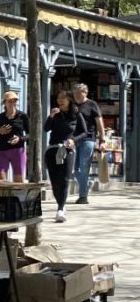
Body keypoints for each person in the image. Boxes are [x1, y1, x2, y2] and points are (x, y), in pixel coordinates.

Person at [44, 90, 86, 223]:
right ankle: (61, 205)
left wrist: (73, 140)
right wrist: (50, 116)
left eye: (63, 98)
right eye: (58, 98)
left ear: (69, 100)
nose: (60, 100)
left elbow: (85, 133)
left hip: (67, 151)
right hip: (53, 150)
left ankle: (60, 208)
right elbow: (46, 128)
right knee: (55, 182)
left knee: (64, 180)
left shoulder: (76, 115)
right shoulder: (55, 115)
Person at [72, 83, 105, 204]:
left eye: (77, 92)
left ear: (84, 93)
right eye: (74, 92)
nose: (75, 95)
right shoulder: (73, 105)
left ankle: (83, 196)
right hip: (74, 140)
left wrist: (102, 140)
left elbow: (99, 123)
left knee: (83, 167)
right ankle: (88, 182)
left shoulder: (92, 105)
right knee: (74, 169)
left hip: (88, 139)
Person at [0, 90, 28, 182]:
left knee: (18, 180)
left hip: (18, 150)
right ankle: (4, 196)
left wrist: (20, 139)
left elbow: (30, 134)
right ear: (4, 102)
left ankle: (17, 197)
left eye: (14, 100)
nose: (12, 103)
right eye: (10, 101)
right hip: (2, 150)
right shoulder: (0, 117)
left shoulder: (22, 116)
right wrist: (0, 131)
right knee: (0, 178)